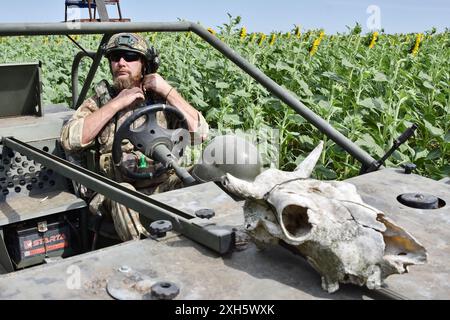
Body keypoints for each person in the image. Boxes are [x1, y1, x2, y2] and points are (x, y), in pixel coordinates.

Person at [60, 33, 209, 242]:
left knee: (210, 170)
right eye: (115, 57)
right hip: (114, 192)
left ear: (145, 65)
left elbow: (200, 133)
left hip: (162, 183)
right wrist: (117, 103)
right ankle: (148, 252)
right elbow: (70, 139)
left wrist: (167, 90)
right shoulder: (101, 101)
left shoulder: (161, 100)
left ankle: (212, 234)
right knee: (124, 193)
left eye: (130, 56)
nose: (121, 63)